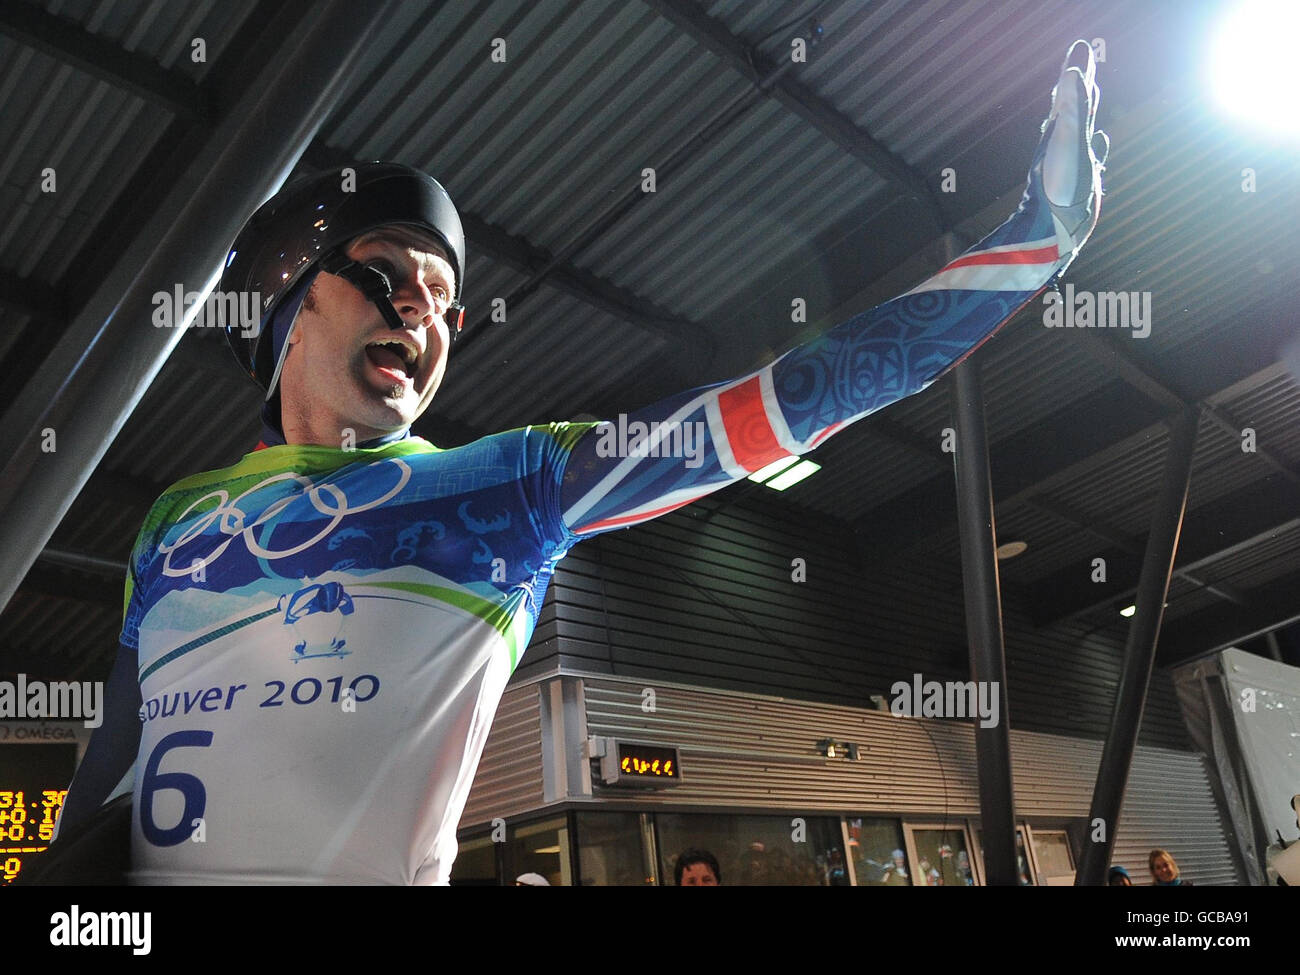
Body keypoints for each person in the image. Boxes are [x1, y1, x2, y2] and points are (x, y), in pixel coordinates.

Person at [55, 43, 1105, 884]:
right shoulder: (175, 518)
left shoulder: (502, 487)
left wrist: (1033, 246)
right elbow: (108, 781)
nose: (425, 311)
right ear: (288, 298)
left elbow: (788, 402)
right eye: (388, 276)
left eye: (443, 298)